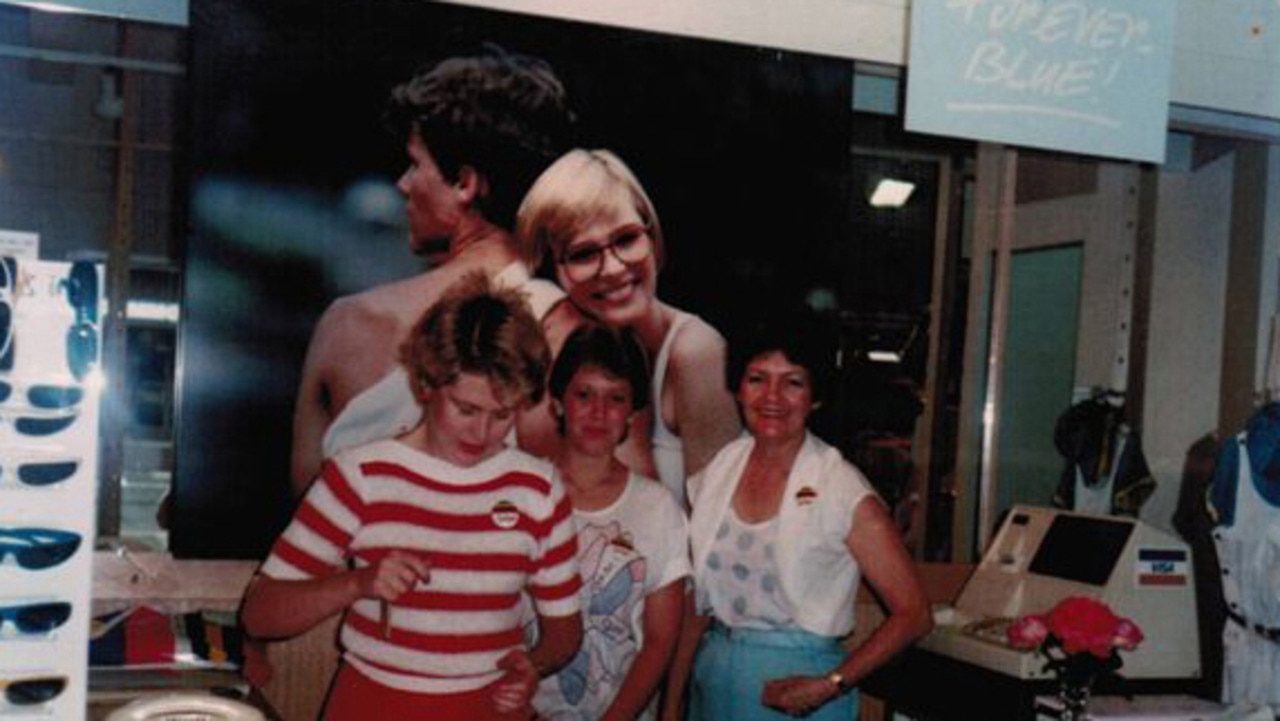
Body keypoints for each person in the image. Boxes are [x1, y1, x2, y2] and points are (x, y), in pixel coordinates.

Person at [243, 274, 583, 721]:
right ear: (426, 384)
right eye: (466, 409)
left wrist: (531, 667)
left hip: (488, 708)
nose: (482, 434)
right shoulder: (359, 474)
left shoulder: (539, 489)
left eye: (502, 415)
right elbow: (260, 614)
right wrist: (358, 583)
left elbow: (564, 634)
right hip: (373, 704)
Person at [290, 48, 577, 497]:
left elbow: (304, 531)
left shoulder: (351, 324)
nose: (403, 185)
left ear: (464, 183)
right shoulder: (574, 333)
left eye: (414, 163)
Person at [663, 310, 933, 720]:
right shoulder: (718, 472)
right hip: (714, 679)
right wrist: (671, 706)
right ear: (737, 388)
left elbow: (914, 614)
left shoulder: (840, 486)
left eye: (792, 382)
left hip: (801, 694)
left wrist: (833, 684)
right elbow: (696, 609)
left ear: (815, 396)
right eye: (757, 379)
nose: (771, 397)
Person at [515, 148, 741, 503]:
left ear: (652, 237)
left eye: (626, 239)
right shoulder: (566, 349)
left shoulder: (696, 351)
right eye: (584, 254)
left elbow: (717, 532)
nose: (614, 267)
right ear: (554, 273)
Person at [532, 324, 689, 720]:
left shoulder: (657, 507)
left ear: (633, 413)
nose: (598, 413)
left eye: (615, 398)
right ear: (557, 402)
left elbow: (659, 641)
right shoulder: (523, 493)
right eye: (584, 394)